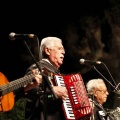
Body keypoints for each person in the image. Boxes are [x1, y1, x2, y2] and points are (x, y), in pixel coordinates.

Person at [23, 36, 68, 120]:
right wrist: (51, 91)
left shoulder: (57, 73)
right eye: (59, 48)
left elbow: (52, 97)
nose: (63, 52)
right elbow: (29, 89)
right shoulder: (37, 68)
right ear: (47, 51)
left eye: (63, 49)